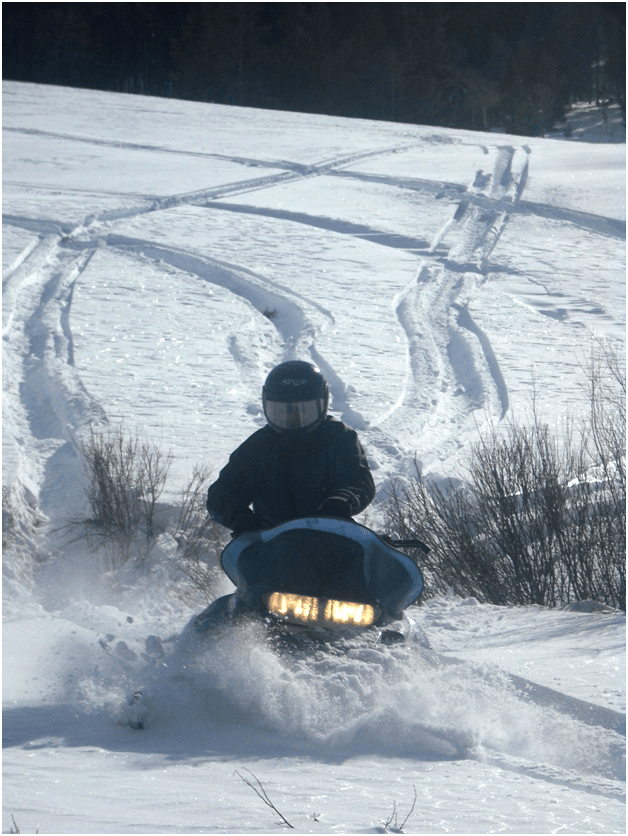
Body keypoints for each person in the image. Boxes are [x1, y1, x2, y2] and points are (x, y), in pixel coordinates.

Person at [206, 360, 375, 536]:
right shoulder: (259, 446)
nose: (294, 419)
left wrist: (341, 502)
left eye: (305, 411)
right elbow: (222, 493)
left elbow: (358, 479)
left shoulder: (338, 437)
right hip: (273, 545)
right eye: (282, 412)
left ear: (323, 404)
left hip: (330, 537)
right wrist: (241, 519)